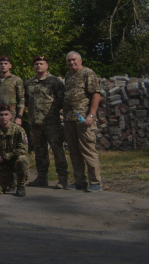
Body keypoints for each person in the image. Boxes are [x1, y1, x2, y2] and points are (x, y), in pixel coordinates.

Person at [25, 55, 68, 188]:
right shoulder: (29, 83)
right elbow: (26, 102)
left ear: (47, 65)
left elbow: (63, 100)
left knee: (57, 150)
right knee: (39, 151)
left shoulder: (54, 81)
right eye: (37, 64)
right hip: (35, 123)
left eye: (42, 63)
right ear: (33, 67)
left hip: (52, 123)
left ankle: (62, 178)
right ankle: (42, 177)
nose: (39, 66)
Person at [62, 51, 102, 192]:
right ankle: (79, 181)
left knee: (88, 150)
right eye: (69, 61)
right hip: (69, 119)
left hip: (84, 119)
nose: (71, 63)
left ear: (80, 60)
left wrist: (91, 115)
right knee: (74, 151)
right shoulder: (68, 76)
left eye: (74, 60)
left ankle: (95, 182)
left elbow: (96, 94)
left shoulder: (88, 73)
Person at [0, 105, 29, 197]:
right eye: (1, 115)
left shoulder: (18, 130)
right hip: (3, 165)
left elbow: (23, 149)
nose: (3, 117)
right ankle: (10, 180)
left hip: (15, 162)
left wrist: (5, 156)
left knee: (22, 159)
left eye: (6, 114)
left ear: (10, 116)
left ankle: (20, 185)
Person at [0, 56, 25, 127]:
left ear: (10, 66)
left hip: (12, 115)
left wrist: (19, 117)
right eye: (1, 63)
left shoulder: (16, 80)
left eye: (6, 63)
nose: (3, 65)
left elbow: (22, 99)